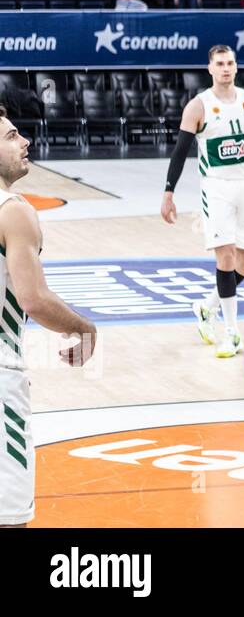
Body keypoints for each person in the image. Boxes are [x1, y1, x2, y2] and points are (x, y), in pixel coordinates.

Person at [0, 106, 98, 528]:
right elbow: (34, 299)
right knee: (11, 515)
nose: (25, 142)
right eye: (10, 136)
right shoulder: (12, 209)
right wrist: (84, 327)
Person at [160, 45, 244, 358]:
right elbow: (179, 152)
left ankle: (206, 306)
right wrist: (168, 192)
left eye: (230, 63)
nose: (225, 68)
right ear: (210, 68)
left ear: (236, 67)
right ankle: (231, 332)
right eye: (220, 64)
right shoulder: (198, 106)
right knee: (224, 256)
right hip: (217, 188)